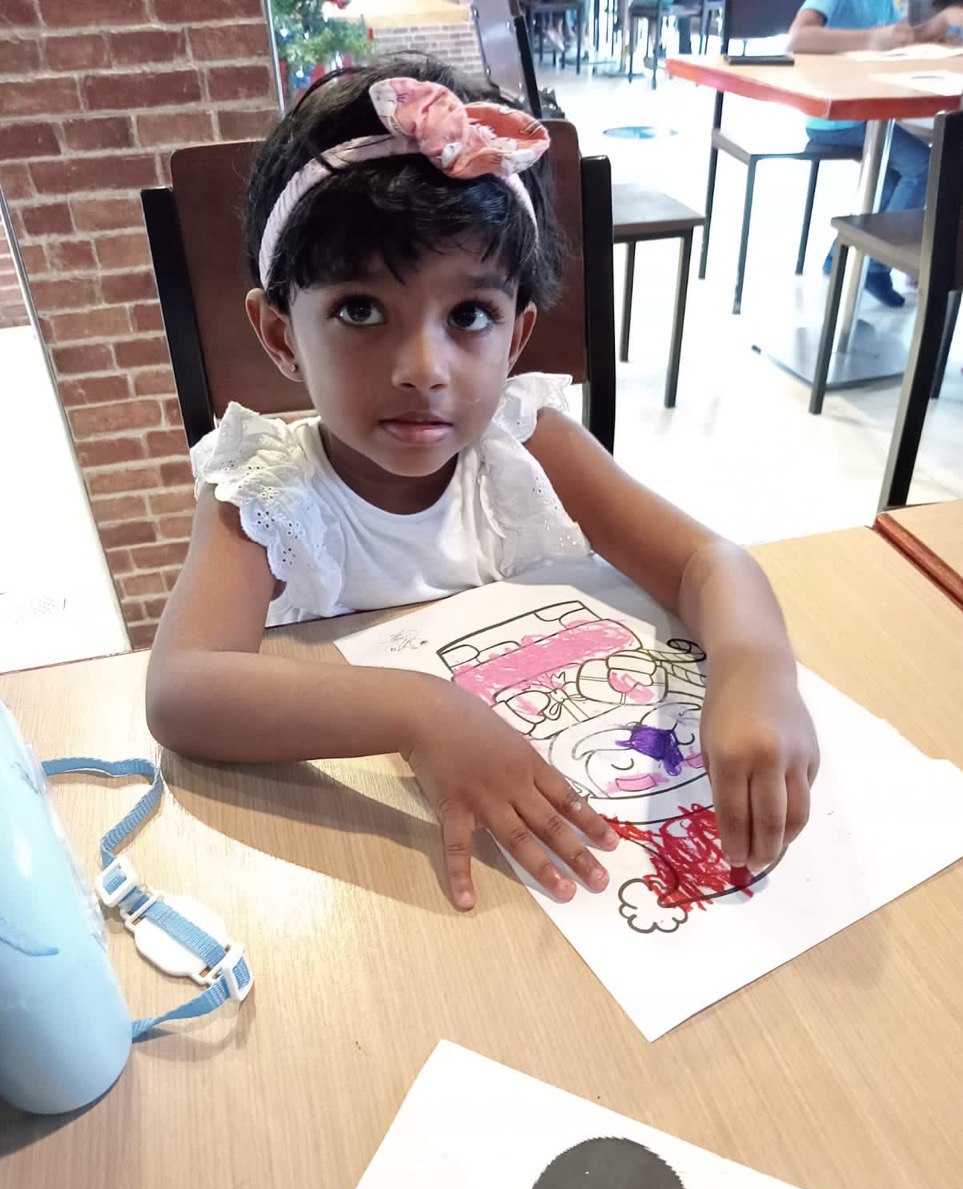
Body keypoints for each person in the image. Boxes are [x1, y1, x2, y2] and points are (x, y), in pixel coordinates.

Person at [146, 56, 819, 913]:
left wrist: (755, 665)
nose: (423, 369)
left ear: (516, 333)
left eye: (469, 316)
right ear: (279, 334)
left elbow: (704, 563)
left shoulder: (527, 442)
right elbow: (182, 691)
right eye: (359, 310)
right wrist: (424, 713)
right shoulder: (268, 492)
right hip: (387, 886)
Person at [788, 1, 963, 307]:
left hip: (868, 115)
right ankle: (874, 266)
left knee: (895, 173)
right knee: (922, 168)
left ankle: (841, 255)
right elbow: (798, 38)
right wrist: (870, 38)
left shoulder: (885, 3)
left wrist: (930, 38)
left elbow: (894, 41)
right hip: (835, 117)